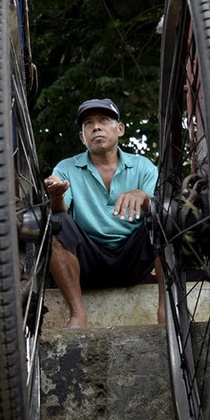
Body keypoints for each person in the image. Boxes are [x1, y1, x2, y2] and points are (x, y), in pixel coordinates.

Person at [44, 98, 163, 329]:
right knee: (56, 222)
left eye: (103, 120)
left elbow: (159, 209)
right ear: (82, 137)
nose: (96, 127)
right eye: (88, 124)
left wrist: (144, 198)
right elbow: (60, 212)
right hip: (88, 262)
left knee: (162, 217)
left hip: (133, 259)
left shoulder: (143, 166)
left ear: (120, 129)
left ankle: (164, 311)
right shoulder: (66, 168)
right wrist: (56, 196)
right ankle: (78, 315)